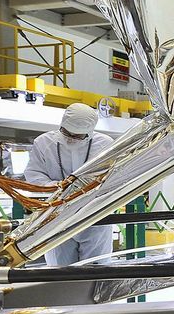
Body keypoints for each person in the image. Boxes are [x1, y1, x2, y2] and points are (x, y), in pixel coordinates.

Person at [25, 103, 114, 266]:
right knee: (59, 271)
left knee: (97, 271)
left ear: (89, 133)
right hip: (56, 217)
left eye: (78, 136)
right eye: (66, 133)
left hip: (93, 217)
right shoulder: (44, 143)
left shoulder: (105, 145)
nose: (71, 138)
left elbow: (113, 177)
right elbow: (33, 174)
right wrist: (56, 187)